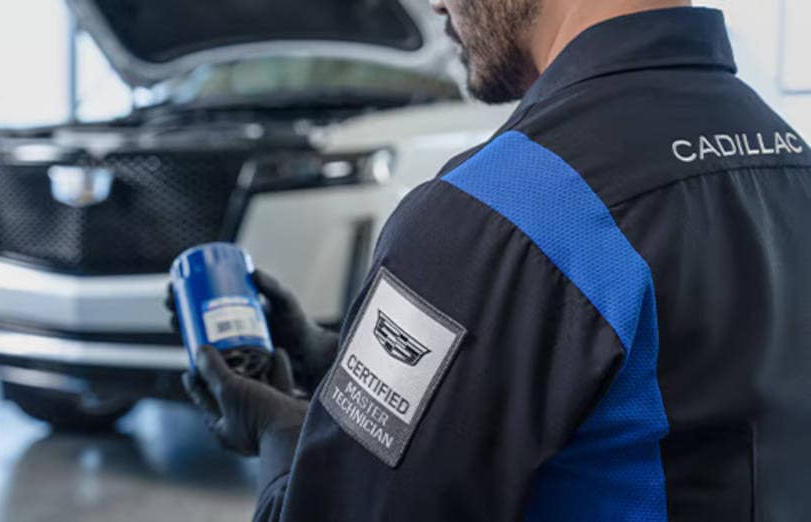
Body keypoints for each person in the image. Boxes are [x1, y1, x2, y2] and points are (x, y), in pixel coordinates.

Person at [167, 0, 811, 520]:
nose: (434, 5)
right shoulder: (790, 161)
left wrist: (282, 435)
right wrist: (341, 362)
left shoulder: (495, 212)